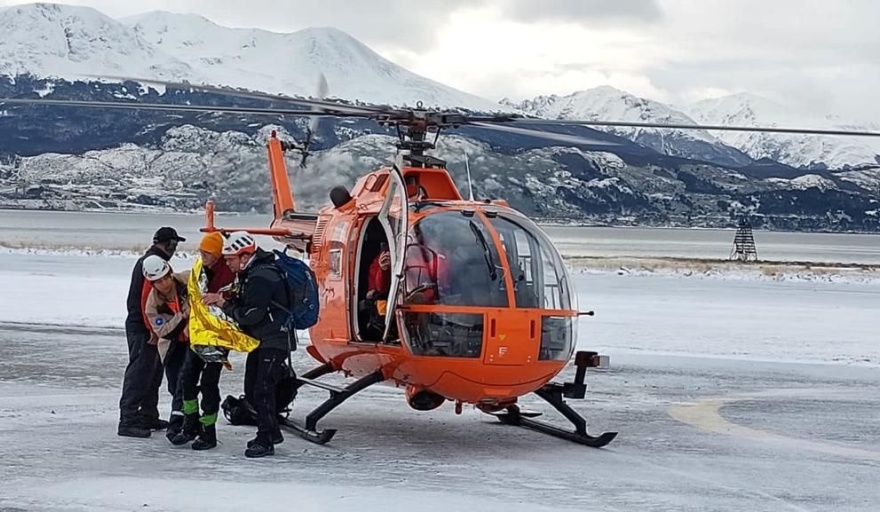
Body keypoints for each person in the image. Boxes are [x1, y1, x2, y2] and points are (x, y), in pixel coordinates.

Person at [204, 231, 292, 458]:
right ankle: (271, 432)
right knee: (253, 388)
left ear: (244, 256)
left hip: (273, 340)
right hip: (262, 340)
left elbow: (251, 315)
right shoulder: (253, 273)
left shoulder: (260, 276)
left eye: (230, 259)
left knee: (262, 389)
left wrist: (225, 305)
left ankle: (266, 439)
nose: (228, 264)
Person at [170, 232, 236, 450]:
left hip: (219, 335)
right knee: (187, 378)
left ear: (217, 254)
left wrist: (221, 300)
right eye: (201, 252)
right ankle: (190, 424)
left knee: (208, 382)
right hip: (199, 332)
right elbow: (193, 295)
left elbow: (235, 299)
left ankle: (208, 430)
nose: (202, 255)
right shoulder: (200, 270)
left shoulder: (229, 272)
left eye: (207, 252)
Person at [118, 226, 186, 438]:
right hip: (144, 328)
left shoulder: (153, 262)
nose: (175, 249)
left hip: (146, 326)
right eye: (174, 244)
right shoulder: (152, 264)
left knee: (153, 372)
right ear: (168, 244)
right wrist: (152, 331)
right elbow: (145, 301)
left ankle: (148, 414)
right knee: (140, 372)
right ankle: (128, 419)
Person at [142, 255, 191, 442]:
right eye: (159, 281)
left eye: (166, 278)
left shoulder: (187, 279)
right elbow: (163, 331)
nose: (165, 283)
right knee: (174, 385)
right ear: (152, 284)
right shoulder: (152, 305)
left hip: (194, 343)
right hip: (172, 347)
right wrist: (181, 316)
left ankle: (180, 424)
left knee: (185, 384)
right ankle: (186, 417)